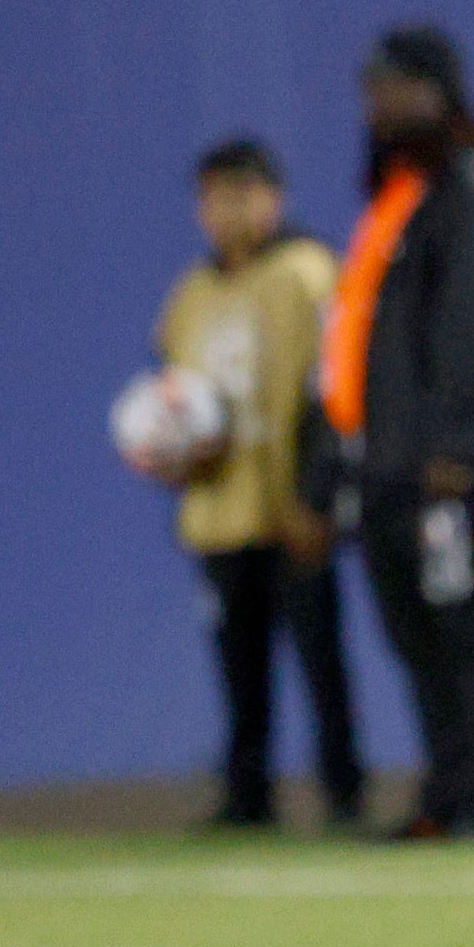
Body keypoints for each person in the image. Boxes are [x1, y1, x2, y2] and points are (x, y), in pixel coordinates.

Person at [327, 24, 474, 839]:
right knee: (419, 630)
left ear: (437, 92)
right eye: (370, 89)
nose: (375, 106)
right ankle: (451, 792)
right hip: (394, 463)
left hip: (449, 465)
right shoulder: (405, 192)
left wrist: (463, 447)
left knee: (467, 623)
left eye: (391, 87)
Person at [154, 136, 364, 831]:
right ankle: (247, 796)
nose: (227, 212)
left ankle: (343, 791)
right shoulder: (191, 293)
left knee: (319, 663)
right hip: (220, 512)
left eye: (242, 195)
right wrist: (169, 451)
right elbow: (171, 396)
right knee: (238, 671)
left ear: (274, 199)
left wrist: (320, 494)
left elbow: (332, 390)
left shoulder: (307, 273)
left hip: (292, 508)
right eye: (214, 198)